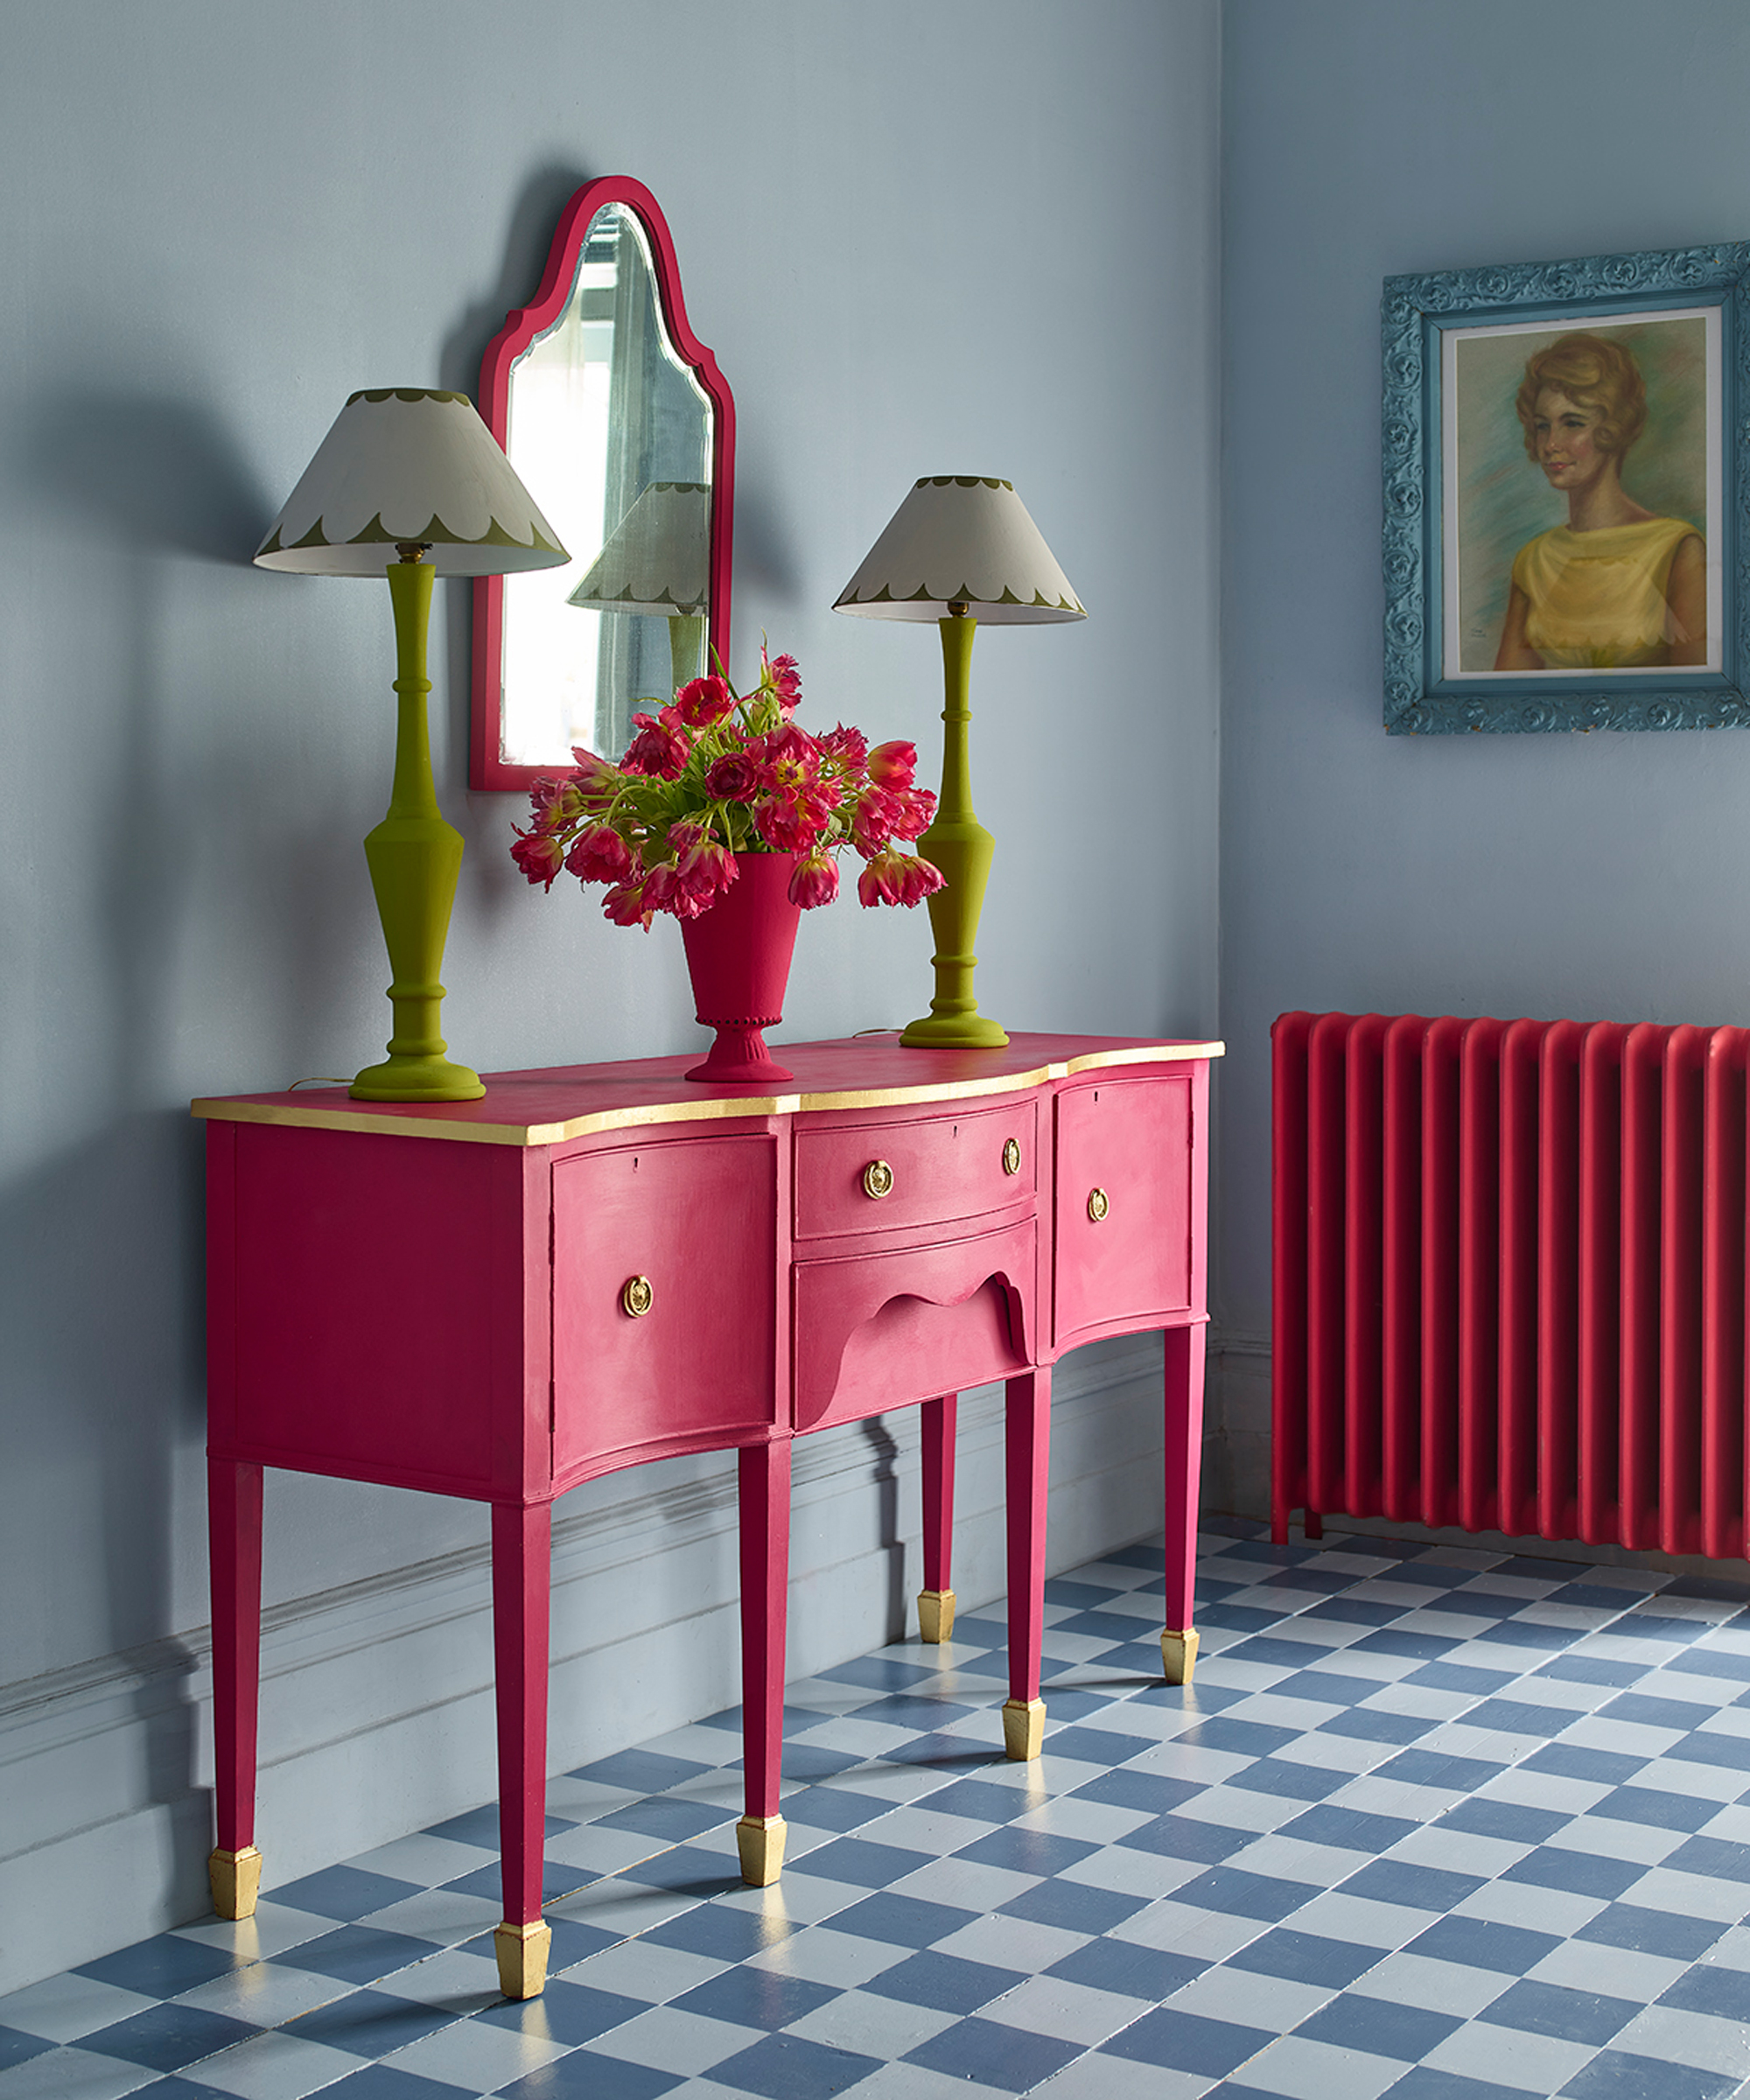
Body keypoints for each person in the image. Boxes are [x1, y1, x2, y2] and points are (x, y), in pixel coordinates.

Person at [1493, 332, 1705, 670]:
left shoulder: (1676, 547)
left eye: (1572, 423)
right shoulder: (1533, 560)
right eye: (1542, 426)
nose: (1550, 444)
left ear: (1613, 428)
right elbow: (1506, 695)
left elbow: (1699, 692)